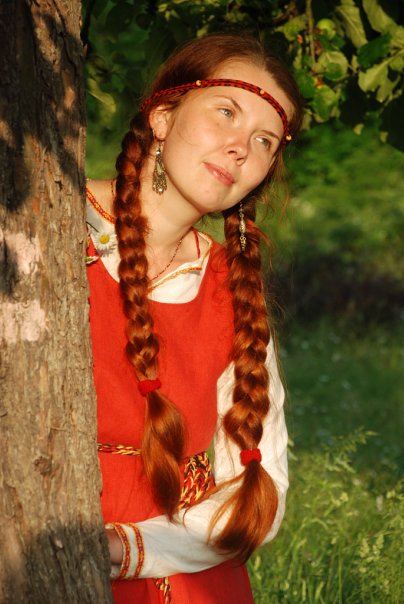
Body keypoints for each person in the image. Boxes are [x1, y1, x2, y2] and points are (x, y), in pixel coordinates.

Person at [85, 32, 303, 603]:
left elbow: (260, 491)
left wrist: (122, 547)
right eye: (226, 112)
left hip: (187, 578)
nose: (240, 148)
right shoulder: (51, 226)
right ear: (162, 117)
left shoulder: (232, 290)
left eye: (264, 140)